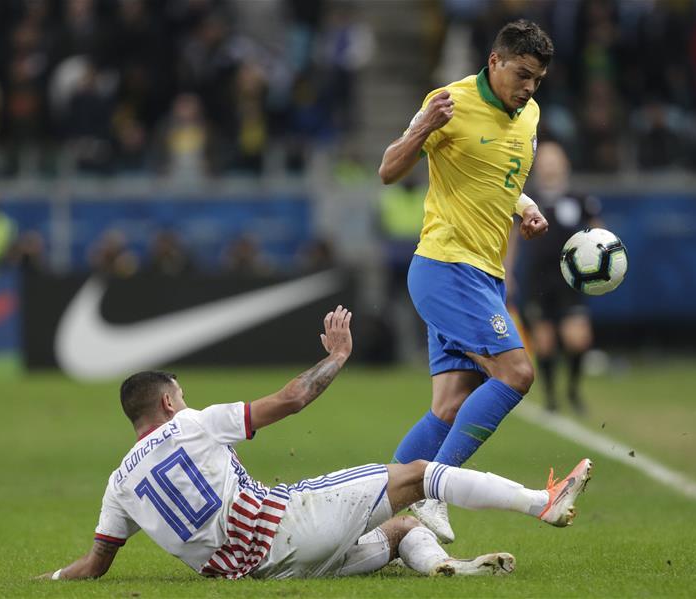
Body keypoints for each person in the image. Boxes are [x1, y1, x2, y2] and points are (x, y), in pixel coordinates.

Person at [36, 306, 593, 581]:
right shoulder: (194, 423)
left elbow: (94, 566)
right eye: (179, 394)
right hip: (288, 526)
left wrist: (47, 579)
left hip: (264, 573)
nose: (184, 400)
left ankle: (456, 569)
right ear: (166, 404)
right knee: (418, 473)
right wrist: (337, 358)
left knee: (403, 529)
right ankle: (540, 502)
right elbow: (291, 400)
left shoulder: (119, 485)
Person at [378, 19, 553, 542]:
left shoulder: (531, 115)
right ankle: (435, 490)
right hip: (446, 265)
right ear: (495, 62)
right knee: (517, 373)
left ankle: (372, 511)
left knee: (450, 407)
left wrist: (526, 207)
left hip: (486, 273)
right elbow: (388, 169)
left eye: (538, 80)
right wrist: (422, 128)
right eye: (522, 74)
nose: (529, 88)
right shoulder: (447, 102)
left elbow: (498, 178)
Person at [511, 142, 602, 414]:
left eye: (555, 159)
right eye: (545, 159)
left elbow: (599, 233)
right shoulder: (528, 199)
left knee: (578, 339)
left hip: (571, 278)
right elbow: (513, 238)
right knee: (545, 342)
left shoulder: (580, 198)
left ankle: (573, 391)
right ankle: (551, 398)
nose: (550, 164)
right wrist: (507, 271)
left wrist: (601, 261)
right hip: (537, 278)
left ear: (565, 164)